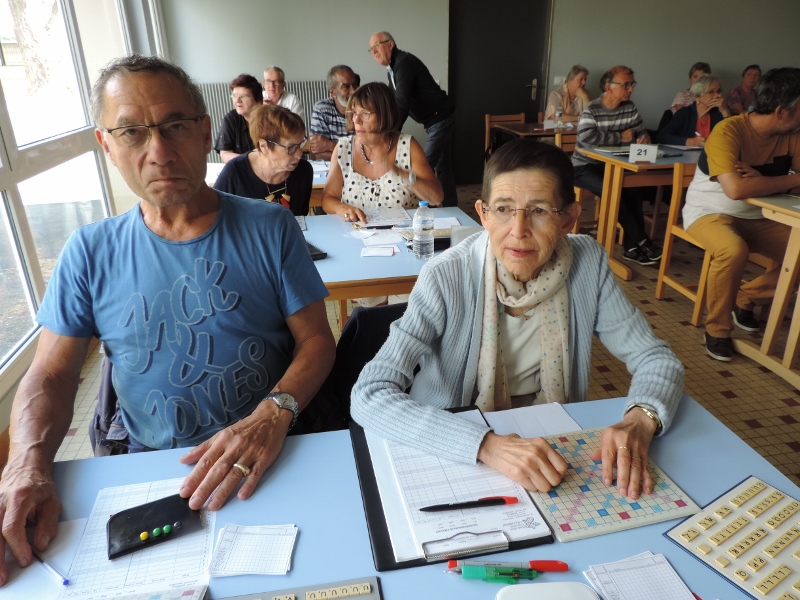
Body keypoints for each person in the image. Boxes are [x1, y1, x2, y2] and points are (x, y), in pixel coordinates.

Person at [0, 54, 336, 586]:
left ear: (204, 132)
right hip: (153, 471)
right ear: (106, 144)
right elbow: (51, 373)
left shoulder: (271, 227)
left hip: (270, 455)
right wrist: (27, 461)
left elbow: (317, 341)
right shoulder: (89, 252)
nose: (158, 151)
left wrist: (273, 415)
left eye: (175, 126)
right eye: (132, 132)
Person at [351, 138, 684, 501]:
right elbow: (370, 394)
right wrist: (487, 446)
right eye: (503, 209)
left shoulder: (587, 264)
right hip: (452, 438)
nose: (519, 229)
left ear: (568, 218)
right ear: (483, 214)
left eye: (539, 210)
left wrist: (640, 418)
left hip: (552, 437)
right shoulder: (446, 276)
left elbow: (656, 359)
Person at [683, 67, 800, 362]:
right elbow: (735, 189)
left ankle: (746, 297)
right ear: (782, 111)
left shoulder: (793, 135)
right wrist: (789, 179)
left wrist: (765, 179)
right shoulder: (729, 130)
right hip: (710, 212)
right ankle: (717, 330)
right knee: (733, 249)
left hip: (762, 216)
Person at [572, 66, 661, 266]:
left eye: (632, 84)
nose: (631, 89)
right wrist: (619, 137)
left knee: (633, 189)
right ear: (609, 87)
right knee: (612, 190)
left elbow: (640, 130)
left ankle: (631, 248)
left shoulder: (629, 107)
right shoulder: (593, 109)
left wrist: (643, 137)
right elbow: (585, 138)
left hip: (615, 164)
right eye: (626, 85)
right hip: (584, 166)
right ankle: (641, 240)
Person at [321, 82, 442, 223]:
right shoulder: (344, 148)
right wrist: (343, 209)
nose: (356, 120)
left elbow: (436, 198)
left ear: (384, 115)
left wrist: (406, 175)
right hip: (356, 232)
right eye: (353, 113)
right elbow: (327, 199)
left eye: (365, 113)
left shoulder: (408, 145)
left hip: (402, 233)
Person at [368, 31, 457, 207]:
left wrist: (391, 136)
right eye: (371, 49)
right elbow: (392, 102)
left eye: (377, 45)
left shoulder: (404, 63)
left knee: (423, 169)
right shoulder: (393, 69)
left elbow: (402, 103)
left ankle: (419, 211)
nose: (374, 51)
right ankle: (450, 208)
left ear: (390, 44)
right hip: (435, 120)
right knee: (443, 167)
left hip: (441, 118)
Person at [214, 104, 312, 216]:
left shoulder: (303, 171)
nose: (299, 155)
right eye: (291, 147)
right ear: (264, 146)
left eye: (300, 144)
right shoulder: (235, 172)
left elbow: (300, 217)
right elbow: (213, 216)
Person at [658, 75, 729, 147]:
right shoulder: (684, 113)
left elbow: (731, 138)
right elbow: (662, 137)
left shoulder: (719, 113)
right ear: (697, 97)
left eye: (718, 91)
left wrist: (725, 112)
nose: (718, 95)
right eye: (711, 92)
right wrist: (689, 142)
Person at [309, 65, 359, 161]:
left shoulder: (365, 108)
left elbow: (366, 152)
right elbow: (319, 154)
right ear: (332, 92)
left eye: (355, 85)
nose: (353, 91)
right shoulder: (322, 109)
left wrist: (330, 145)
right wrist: (352, 153)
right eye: (346, 87)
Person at [213, 73, 263, 163]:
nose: (237, 100)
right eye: (234, 96)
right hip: (242, 168)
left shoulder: (270, 119)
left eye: (243, 96)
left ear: (258, 100)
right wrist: (251, 160)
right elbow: (225, 153)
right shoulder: (231, 118)